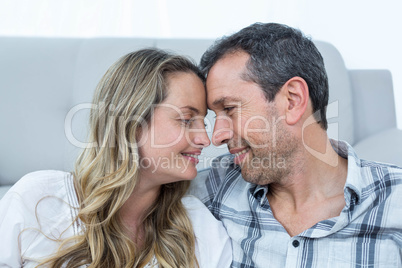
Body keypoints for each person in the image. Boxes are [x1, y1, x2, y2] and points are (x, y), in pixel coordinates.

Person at [192, 22, 402, 267]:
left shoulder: (395, 203)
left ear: (292, 100)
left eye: (229, 109)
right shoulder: (212, 191)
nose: (217, 137)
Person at [0, 49, 232, 268]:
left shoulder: (200, 228)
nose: (205, 139)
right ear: (132, 123)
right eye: (186, 120)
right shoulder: (39, 200)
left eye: (203, 122)